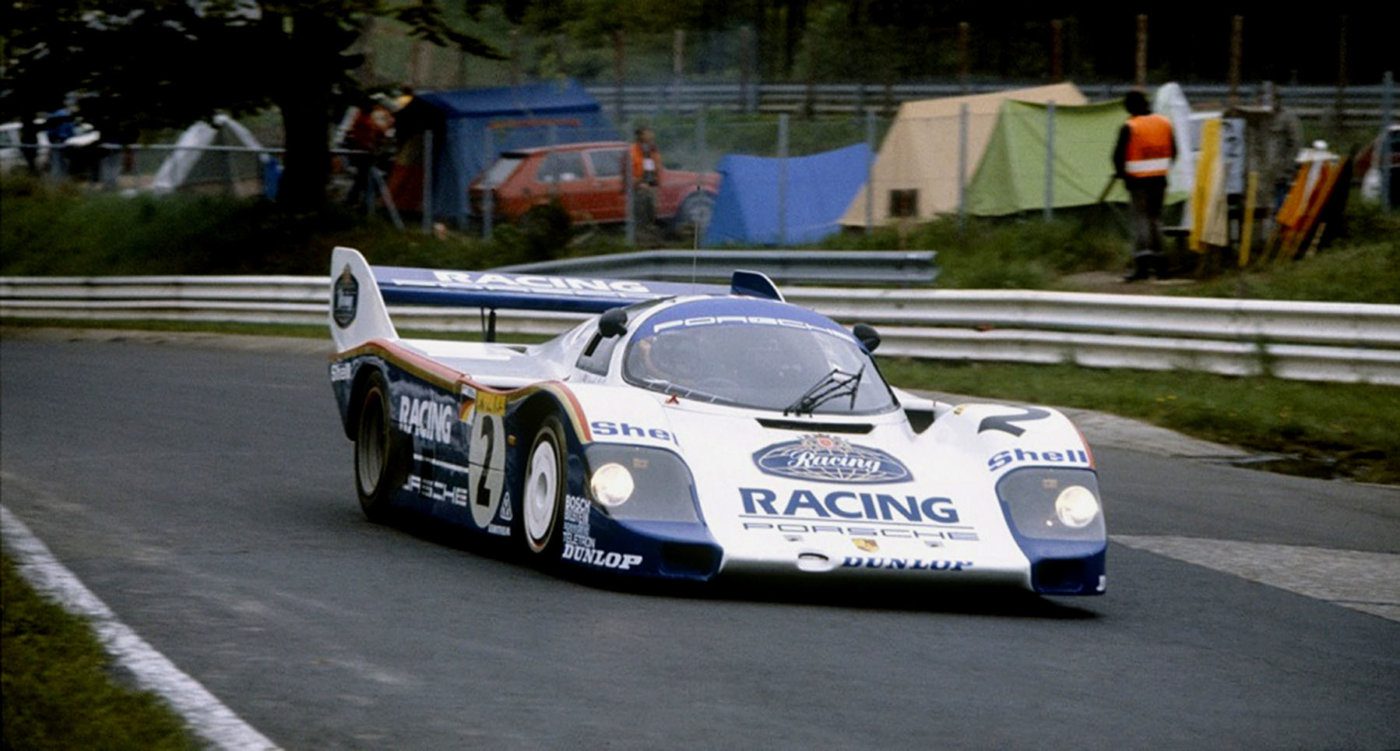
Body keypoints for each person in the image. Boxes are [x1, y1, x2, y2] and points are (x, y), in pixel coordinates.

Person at [1113, 90, 1177, 281]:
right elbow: (1174, 152)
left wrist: (1122, 175)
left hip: (1138, 182)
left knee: (1140, 222)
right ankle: (1161, 268)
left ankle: (1141, 267)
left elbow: (1118, 156)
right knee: (1156, 221)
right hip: (1159, 181)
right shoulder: (1164, 123)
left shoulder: (1130, 126)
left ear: (1131, 106)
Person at [623, 126, 663, 245]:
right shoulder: (632, 151)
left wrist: (656, 180)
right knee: (641, 211)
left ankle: (651, 235)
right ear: (640, 136)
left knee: (652, 210)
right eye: (648, 133)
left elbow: (657, 166)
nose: (651, 136)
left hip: (652, 184)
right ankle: (641, 238)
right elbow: (628, 171)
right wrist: (638, 183)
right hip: (639, 186)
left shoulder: (652, 150)